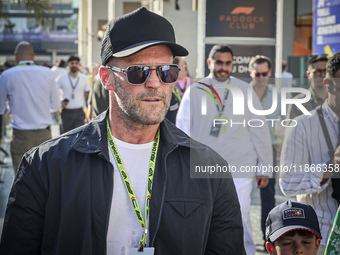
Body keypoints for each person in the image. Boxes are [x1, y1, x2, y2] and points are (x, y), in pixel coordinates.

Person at [0, 8, 245, 255]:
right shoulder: (45, 166)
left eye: (166, 71)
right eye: (138, 71)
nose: (154, 83)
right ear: (106, 78)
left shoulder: (211, 169)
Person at [176, 44, 273, 255]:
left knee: (241, 215)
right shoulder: (194, 91)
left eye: (228, 63)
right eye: (219, 62)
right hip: (202, 169)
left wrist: (265, 167)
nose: (223, 67)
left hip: (240, 167)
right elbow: (182, 130)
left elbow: (259, 130)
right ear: (210, 63)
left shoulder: (245, 90)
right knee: (203, 216)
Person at [280, 52, 340, 255]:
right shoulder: (301, 126)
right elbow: (287, 181)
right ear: (328, 84)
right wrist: (329, 169)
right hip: (321, 234)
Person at [0, 41, 60, 172]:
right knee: (43, 177)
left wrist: (11, 110)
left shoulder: (7, 75)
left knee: (21, 177)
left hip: (20, 133)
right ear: (33, 56)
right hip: (44, 133)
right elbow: (55, 105)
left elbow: (1, 108)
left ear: (16, 56)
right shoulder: (47, 73)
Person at [249, 55, 282, 248]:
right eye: (257, 73)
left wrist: (279, 149)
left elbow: (283, 127)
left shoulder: (277, 97)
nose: (260, 77)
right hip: (245, 149)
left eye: (264, 73)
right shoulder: (242, 95)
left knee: (267, 196)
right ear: (251, 72)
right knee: (238, 194)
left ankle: (267, 237)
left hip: (269, 150)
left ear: (269, 73)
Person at [287, 55, 328, 120]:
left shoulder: (336, 100)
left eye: (326, 71)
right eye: (318, 72)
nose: (323, 75)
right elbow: (290, 129)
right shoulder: (297, 103)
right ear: (308, 75)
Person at [56, 55, 90, 134]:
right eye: (72, 63)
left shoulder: (84, 78)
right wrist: (60, 100)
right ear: (68, 64)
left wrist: (89, 112)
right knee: (64, 137)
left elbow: (88, 95)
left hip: (79, 113)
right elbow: (54, 91)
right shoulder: (61, 77)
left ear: (79, 65)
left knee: (79, 138)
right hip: (66, 112)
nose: (74, 65)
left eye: (76, 63)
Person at [165, 57, 193, 124]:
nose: (185, 68)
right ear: (176, 69)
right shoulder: (166, 90)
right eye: (183, 66)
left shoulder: (175, 89)